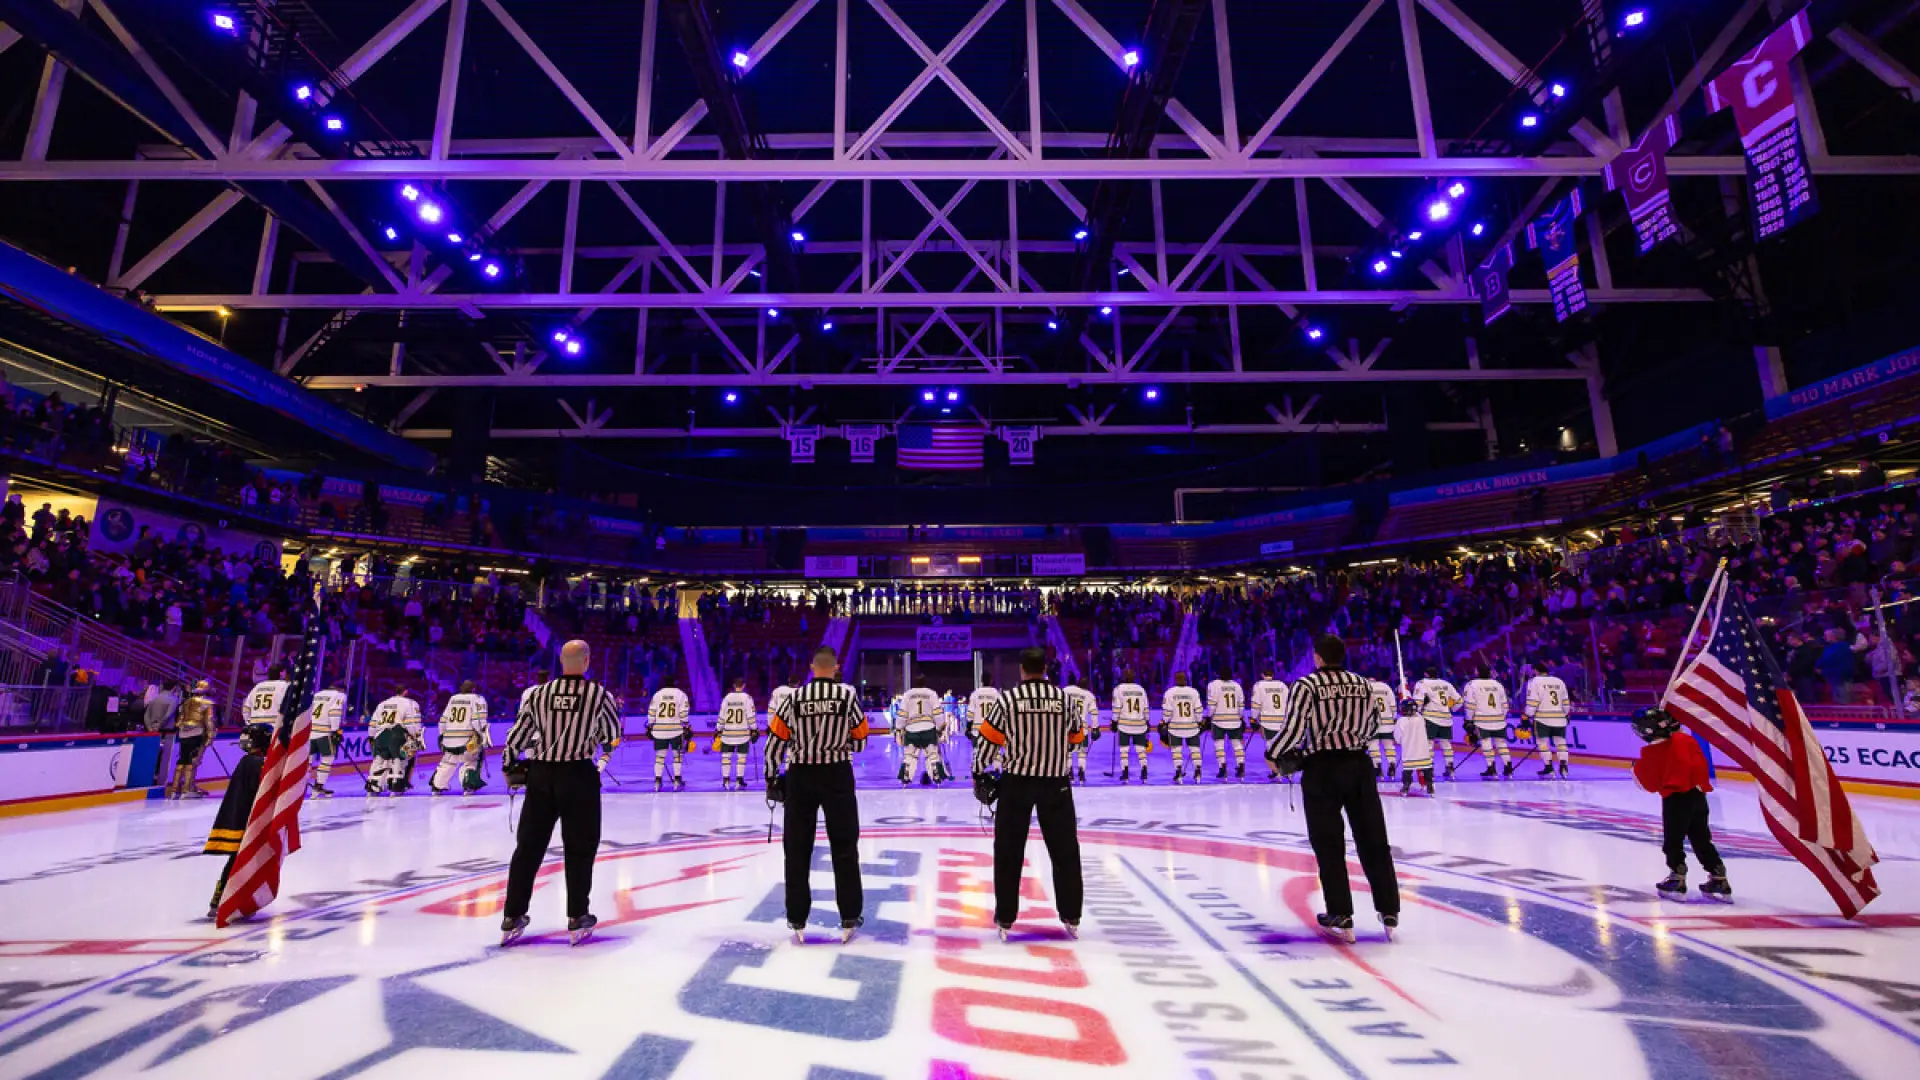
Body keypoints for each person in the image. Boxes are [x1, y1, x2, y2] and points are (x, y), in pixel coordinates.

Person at [1266, 635, 1402, 942]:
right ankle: (1389, 908)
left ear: (1317, 658)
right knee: (1373, 839)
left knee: (1328, 843)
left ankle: (1341, 913)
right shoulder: (1364, 684)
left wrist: (1272, 754)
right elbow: (1372, 725)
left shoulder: (1306, 685)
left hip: (1322, 768)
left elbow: (1293, 728)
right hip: (1358, 764)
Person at [501, 639, 623, 946]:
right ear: (587, 660)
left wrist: (509, 767)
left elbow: (517, 736)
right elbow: (611, 734)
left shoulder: (539, 694)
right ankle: (577, 914)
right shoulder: (597, 694)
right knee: (579, 847)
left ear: (560, 661)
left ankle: (512, 915)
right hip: (578, 774)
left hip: (541, 774)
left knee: (528, 848)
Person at [977, 648, 1086, 941]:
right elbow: (1078, 736)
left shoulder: (1008, 700)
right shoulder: (1064, 699)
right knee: (1065, 852)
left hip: (1017, 783)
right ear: (1046, 669)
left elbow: (988, 739)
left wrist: (978, 772)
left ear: (1022, 670)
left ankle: (1005, 917)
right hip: (1056, 783)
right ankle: (1071, 913)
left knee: (1009, 853)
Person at [767, 646, 870, 944]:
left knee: (797, 850)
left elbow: (774, 744)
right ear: (836, 668)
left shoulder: (793, 698)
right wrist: (842, 747)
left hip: (800, 776)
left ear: (812, 667)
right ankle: (849, 914)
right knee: (845, 846)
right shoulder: (847, 696)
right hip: (837, 774)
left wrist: (772, 777)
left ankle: (797, 916)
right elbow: (861, 740)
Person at [1630, 707, 1731, 901]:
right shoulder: (1686, 740)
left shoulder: (1652, 752)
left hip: (1676, 799)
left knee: (1673, 840)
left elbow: (1649, 785)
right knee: (1701, 838)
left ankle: (1677, 877)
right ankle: (1718, 875)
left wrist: (1635, 769)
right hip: (1698, 796)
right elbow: (1700, 765)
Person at [203, 723, 273, 920]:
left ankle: (220, 900)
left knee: (235, 860)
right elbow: (261, 791)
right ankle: (226, 900)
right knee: (239, 861)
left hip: (240, 816)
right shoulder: (255, 763)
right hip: (245, 820)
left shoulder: (249, 761)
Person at [430, 681, 490, 796]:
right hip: (467, 738)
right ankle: (469, 785)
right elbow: (478, 720)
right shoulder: (477, 699)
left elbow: (443, 720)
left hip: (449, 738)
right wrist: (481, 735)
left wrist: (442, 735)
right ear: (473, 689)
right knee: (471, 761)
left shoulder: (453, 699)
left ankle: (437, 786)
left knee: (447, 763)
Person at [366, 689, 423, 795]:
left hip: (380, 735)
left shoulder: (382, 704)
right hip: (397, 735)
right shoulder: (410, 703)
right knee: (400, 759)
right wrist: (416, 737)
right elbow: (412, 723)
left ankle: (373, 784)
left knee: (379, 760)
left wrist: (371, 736)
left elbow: (373, 723)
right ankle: (396, 784)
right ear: (405, 692)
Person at [1522, 660, 1573, 778]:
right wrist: (1565, 714)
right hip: (1559, 717)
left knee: (1543, 743)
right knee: (1561, 743)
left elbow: (1532, 702)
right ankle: (1564, 767)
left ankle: (1549, 768)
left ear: (1536, 670)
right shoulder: (1559, 681)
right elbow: (1565, 702)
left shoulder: (1534, 682)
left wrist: (1526, 716)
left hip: (1542, 718)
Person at [167, 680, 215, 799]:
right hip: (197, 733)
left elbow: (179, 721)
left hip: (183, 733)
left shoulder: (186, 702)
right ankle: (186, 789)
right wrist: (210, 736)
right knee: (192, 761)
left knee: (182, 760)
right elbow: (209, 721)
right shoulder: (207, 703)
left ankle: (174, 790)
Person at [1462, 667, 1513, 780]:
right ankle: (1508, 766)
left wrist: (1468, 720)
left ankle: (1491, 767)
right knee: (1502, 744)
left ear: (1477, 672)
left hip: (1482, 720)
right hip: (1499, 719)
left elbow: (1470, 705)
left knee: (1486, 744)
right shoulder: (1498, 685)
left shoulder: (1472, 684)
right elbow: (1505, 704)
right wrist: (1501, 716)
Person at [1411, 668, 1461, 780]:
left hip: (1430, 718)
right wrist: (1451, 708)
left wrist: (1417, 713)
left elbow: (1417, 702)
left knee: (1429, 744)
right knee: (1446, 745)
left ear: (1426, 674)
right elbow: (1459, 701)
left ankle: (1429, 769)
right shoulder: (1446, 684)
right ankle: (1450, 767)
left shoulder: (1423, 683)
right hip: (1446, 718)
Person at [896, 679, 947, 786]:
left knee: (910, 756)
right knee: (932, 755)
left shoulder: (908, 695)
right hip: (928, 729)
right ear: (925, 683)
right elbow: (938, 713)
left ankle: (905, 778)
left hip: (911, 730)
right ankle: (937, 777)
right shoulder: (931, 694)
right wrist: (939, 729)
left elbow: (902, 714)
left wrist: (898, 729)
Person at [645, 676, 692, 791]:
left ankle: (657, 781)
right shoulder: (680, 694)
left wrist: (650, 726)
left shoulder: (657, 695)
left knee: (660, 757)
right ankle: (677, 780)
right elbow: (683, 714)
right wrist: (686, 725)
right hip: (675, 730)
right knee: (677, 757)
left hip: (659, 730)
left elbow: (651, 712)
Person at [1161, 672, 1205, 784]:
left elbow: (1167, 712)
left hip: (1175, 727)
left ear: (1175, 679)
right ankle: (1198, 771)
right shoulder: (1193, 692)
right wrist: (1199, 721)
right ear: (1186, 679)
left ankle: (1179, 771)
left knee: (1177, 751)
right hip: (1192, 726)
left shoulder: (1169, 693)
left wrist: (1164, 722)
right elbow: (1198, 710)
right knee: (1195, 749)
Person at [715, 677, 758, 791]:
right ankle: (739, 780)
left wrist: (718, 728)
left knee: (726, 758)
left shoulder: (727, 698)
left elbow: (722, 715)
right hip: (742, 734)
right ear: (743, 685)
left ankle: (726, 780)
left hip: (727, 734)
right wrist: (754, 729)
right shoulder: (747, 698)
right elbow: (751, 715)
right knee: (741, 758)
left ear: (734, 685)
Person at [1205, 673, 1248, 781]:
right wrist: (1241, 716)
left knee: (1219, 745)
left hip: (1218, 720)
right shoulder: (1237, 686)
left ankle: (1222, 768)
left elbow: (1212, 704)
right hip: (1234, 719)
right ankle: (1241, 767)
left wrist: (1208, 716)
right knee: (1237, 745)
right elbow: (1241, 704)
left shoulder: (1214, 685)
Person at [307, 684, 348, 797]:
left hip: (311, 732)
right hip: (325, 732)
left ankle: (301, 785)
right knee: (327, 759)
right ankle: (319, 785)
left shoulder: (316, 695)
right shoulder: (339, 695)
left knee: (308, 761)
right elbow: (335, 712)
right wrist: (336, 731)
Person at [1110, 673, 1151, 783]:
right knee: (1141, 750)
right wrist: (1147, 721)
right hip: (1140, 724)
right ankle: (1144, 770)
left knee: (1124, 750)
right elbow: (1146, 707)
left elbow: (1117, 707)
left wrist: (1114, 721)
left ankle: (1125, 772)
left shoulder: (1118, 689)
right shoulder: (1141, 689)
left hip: (1124, 724)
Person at [1250, 670, 1290, 781]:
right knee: (1283, 746)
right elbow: (1289, 702)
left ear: (1262, 674)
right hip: (1282, 721)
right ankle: (1286, 770)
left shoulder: (1259, 685)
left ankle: (1276, 771)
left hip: (1268, 721)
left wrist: (1253, 719)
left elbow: (1255, 704)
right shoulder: (1282, 685)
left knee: (1270, 747)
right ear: (1272, 674)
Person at [1062, 676, 1099, 785]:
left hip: (1068, 726)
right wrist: (1095, 728)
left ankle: (1069, 773)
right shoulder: (1089, 695)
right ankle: (1082, 773)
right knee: (1082, 752)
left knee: (1068, 752)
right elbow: (1094, 713)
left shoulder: (1066, 690)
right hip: (1082, 727)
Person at [1394, 699, 1435, 798]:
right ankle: (1430, 787)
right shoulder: (1420, 719)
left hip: (1409, 752)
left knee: (1408, 771)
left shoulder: (1401, 721)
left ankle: (1406, 787)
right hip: (1423, 752)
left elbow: (1397, 738)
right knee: (1426, 769)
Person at [966, 675, 1004, 777]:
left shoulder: (975, 694)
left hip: (978, 729)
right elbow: (1001, 711)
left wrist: (968, 728)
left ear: (981, 681)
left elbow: (970, 714)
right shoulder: (996, 694)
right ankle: (997, 770)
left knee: (977, 752)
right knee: (996, 752)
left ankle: (976, 774)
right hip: (992, 728)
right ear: (991, 680)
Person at [1364, 675, 1398, 780]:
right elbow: (1393, 704)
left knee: (1373, 746)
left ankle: (1378, 768)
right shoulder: (1386, 687)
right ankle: (1392, 765)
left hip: (1372, 722)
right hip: (1387, 721)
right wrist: (1394, 717)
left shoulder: (1365, 687)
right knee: (1389, 746)